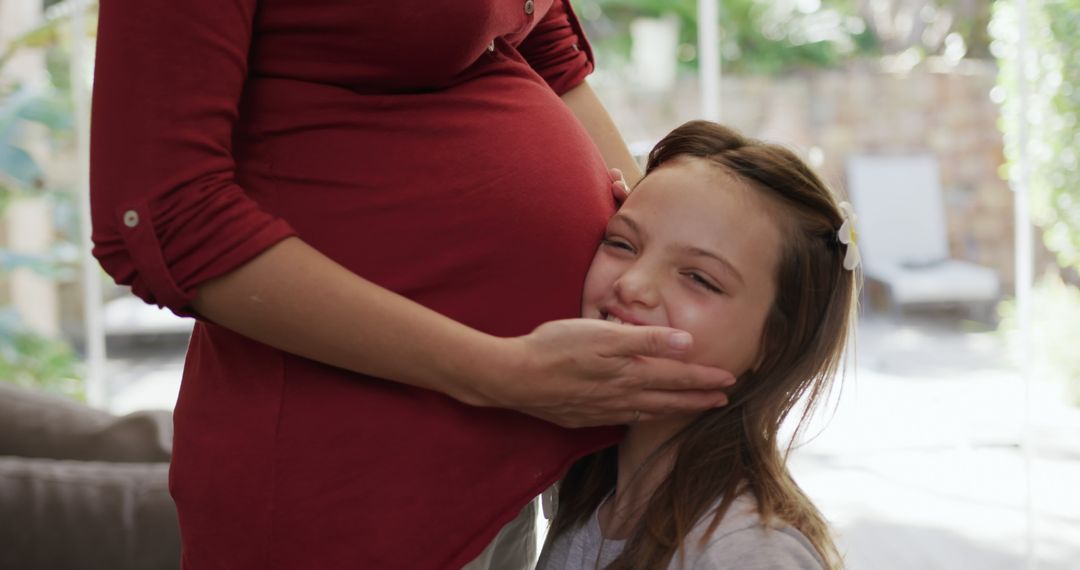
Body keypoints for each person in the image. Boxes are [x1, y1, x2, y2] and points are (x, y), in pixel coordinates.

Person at [88, 1, 736, 568]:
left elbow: (547, 54)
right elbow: (165, 218)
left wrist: (659, 267)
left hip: (518, 447)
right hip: (360, 470)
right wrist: (499, 371)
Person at [537, 120, 860, 570]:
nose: (634, 284)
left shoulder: (748, 552)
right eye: (622, 243)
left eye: (699, 278)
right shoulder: (590, 497)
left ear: (775, 341)